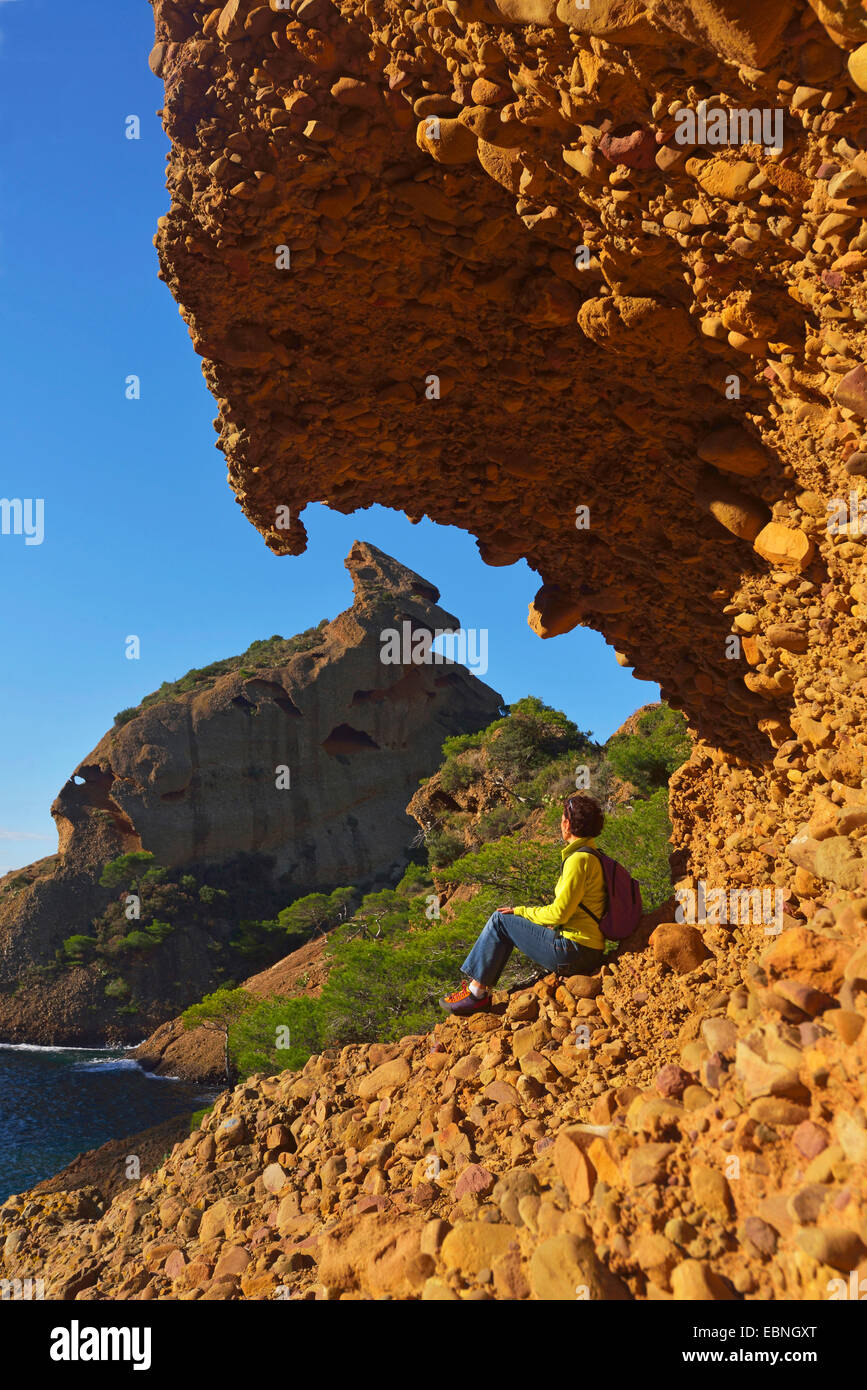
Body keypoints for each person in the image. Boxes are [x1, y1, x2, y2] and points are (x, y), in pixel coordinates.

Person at [440, 793, 607, 1016]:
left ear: (567, 824)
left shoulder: (578, 860)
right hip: (589, 949)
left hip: (573, 952)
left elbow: (559, 914)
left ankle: (476, 994)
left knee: (500, 920)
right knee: (507, 922)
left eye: (561, 819)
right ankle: (479, 992)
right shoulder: (593, 854)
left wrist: (521, 911)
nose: (560, 824)